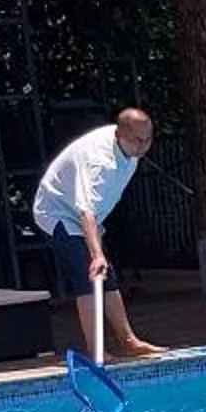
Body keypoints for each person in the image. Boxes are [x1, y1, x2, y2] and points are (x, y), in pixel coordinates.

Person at [32, 108, 166, 360]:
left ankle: (128, 341)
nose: (144, 146)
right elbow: (86, 211)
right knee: (89, 277)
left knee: (108, 278)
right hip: (57, 212)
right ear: (119, 135)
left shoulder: (130, 151)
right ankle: (96, 352)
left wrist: (98, 251)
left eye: (148, 139)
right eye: (138, 140)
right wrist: (96, 253)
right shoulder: (98, 160)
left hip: (84, 213)